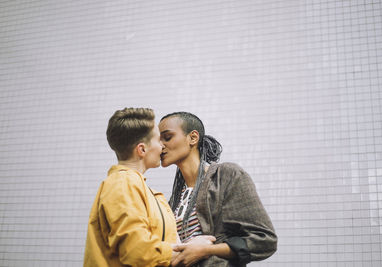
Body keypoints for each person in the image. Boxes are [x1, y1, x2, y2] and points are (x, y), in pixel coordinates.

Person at [159, 112, 278, 267]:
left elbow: (264, 240)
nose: (160, 145)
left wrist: (208, 250)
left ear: (193, 138)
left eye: (167, 137)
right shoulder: (175, 199)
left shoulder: (227, 175)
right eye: (158, 140)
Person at [84, 107, 180, 266]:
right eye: (158, 140)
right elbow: (138, 253)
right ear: (142, 149)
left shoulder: (141, 189)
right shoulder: (123, 184)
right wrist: (189, 250)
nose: (163, 146)